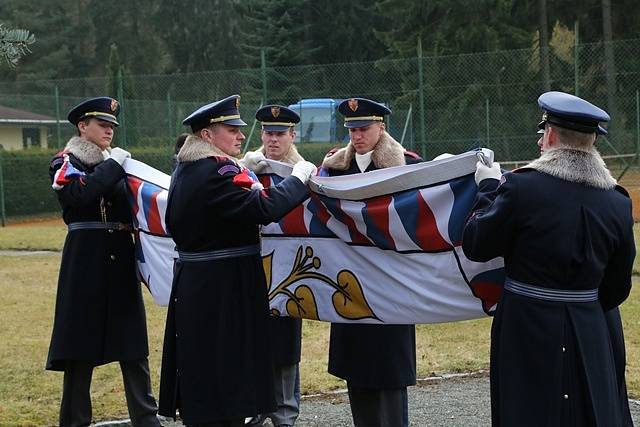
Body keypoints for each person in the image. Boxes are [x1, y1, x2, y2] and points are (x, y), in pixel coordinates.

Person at [462, 91, 635, 426]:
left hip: (526, 326)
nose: (541, 142)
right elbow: (617, 288)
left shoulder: (521, 188)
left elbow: (477, 243)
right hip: (591, 327)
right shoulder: (617, 201)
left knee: (526, 410)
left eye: (543, 134)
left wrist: (487, 189)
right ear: (593, 141)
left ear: (551, 135)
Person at [158, 95, 317, 427]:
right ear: (207, 135)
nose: (241, 136)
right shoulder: (217, 171)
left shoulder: (187, 169)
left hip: (199, 284)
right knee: (226, 377)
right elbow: (265, 209)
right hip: (223, 288)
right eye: (231, 129)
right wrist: (300, 177)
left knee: (204, 372)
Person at [46, 97, 160, 427]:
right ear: (83, 127)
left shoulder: (117, 163)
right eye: (102, 124)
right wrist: (114, 167)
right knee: (80, 346)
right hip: (85, 260)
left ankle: (146, 418)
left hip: (119, 256)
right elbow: (78, 195)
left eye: (112, 125)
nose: (110, 130)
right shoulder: (66, 161)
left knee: (133, 345)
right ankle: (74, 420)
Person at [319, 98, 420, 427]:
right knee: (357, 373)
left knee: (389, 376)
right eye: (352, 129)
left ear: (382, 127)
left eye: (364, 128)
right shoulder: (335, 169)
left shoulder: (407, 166)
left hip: (390, 281)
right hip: (349, 281)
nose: (357, 135)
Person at [241, 105, 304, 427]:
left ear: (293, 135)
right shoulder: (247, 168)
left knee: (284, 342)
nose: (273, 139)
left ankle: (285, 411)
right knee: (251, 338)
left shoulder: (304, 172)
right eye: (268, 132)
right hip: (252, 263)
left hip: (289, 266)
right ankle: (255, 405)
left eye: (280, 133)